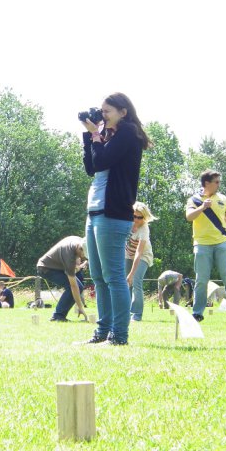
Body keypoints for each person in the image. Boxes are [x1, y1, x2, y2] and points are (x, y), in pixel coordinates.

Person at [78, 92, 151, 345]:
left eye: (107, 111)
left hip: (113, 213)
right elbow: (91, 166)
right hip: (95, 212)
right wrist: (89, 135)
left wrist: (96, 135)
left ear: (123, 112)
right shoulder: (108, 135)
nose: (103, 115)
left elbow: (104, 161)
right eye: (102, 111)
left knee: (114, 277)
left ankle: (119, 335)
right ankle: (102, 331)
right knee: (98, 276)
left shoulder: (128, 133)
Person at [186, 169, 226, 323]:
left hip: (222, 243)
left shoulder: (223, 199)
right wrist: (202, 207)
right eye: (216, 182)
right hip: (201, 244)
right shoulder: (194, 199)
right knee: (201, 280)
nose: (219, 185)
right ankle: (197, 313)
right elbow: (189, 217)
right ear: (207, 183)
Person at [37, 236, 88, 322]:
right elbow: (73, 286)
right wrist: (80, 307)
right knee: (77, 287)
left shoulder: (80, 241)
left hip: (56, 267)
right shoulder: (69, 255)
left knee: (79, 287)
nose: (84, 258)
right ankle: (57, 316)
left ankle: (58, 315)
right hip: (46, 268)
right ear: (80, 249)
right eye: (84, 255)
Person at [125, 202, 156, 321]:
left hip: (143, 256)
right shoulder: (127, 223)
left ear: (145, 217)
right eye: (134, 216)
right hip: (128, 255)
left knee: (136, 281)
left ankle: (137, 314)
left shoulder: (144, 229)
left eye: (140, 217)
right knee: (125, 283)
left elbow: (139, 252)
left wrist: (132, 273)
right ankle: (125, 312)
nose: (137, 219)